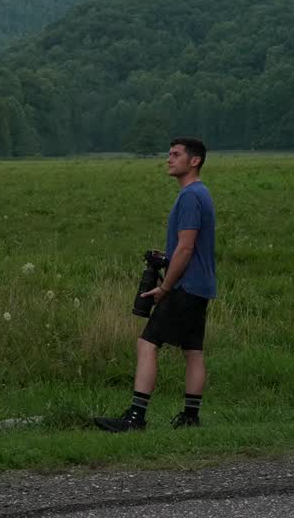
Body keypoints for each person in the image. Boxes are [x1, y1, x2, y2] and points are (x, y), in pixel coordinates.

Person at [94, 137, 217, 432]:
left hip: (185, 287)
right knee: (193, 351)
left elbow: (186, 249)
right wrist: (166, 258)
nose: (169, 159)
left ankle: (136, 418)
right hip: (201, 286)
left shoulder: (189, 196)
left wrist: (165, 287)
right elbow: (189, 248)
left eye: (176, 155)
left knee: (147, 343)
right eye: (169, 154)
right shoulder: (202, 193)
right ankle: (190, 417)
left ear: (194, 161)